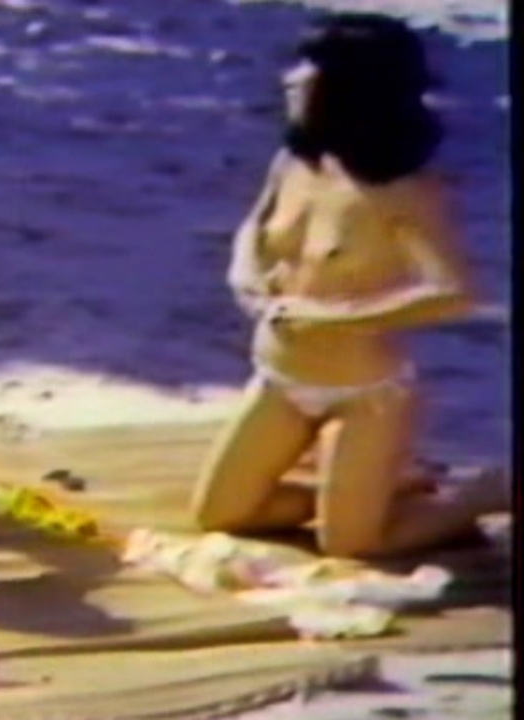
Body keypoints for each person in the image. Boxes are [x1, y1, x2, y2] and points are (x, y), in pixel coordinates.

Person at [191, 13, 507, 559]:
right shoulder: (296, 162)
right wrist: (244, 272)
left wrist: (330, 318)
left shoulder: (405, 193)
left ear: (350, 89)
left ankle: (483, 491)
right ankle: (374, 491)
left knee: (350, 545)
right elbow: (254, 224)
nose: (291, 79)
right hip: (280, 378)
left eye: (308, 70)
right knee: (222, 515)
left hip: (365, 395)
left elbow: (455, 292)